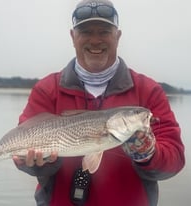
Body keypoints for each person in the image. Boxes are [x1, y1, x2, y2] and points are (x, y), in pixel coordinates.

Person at [13, 0, 185, 205]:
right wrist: (36, 165)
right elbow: (22, 149)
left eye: (104, 32)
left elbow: (174, 160)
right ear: (73, 37)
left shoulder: (148, 91)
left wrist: (148, 155)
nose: (95, 40)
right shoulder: (47, 90)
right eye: (85, 32)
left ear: (118, 36)